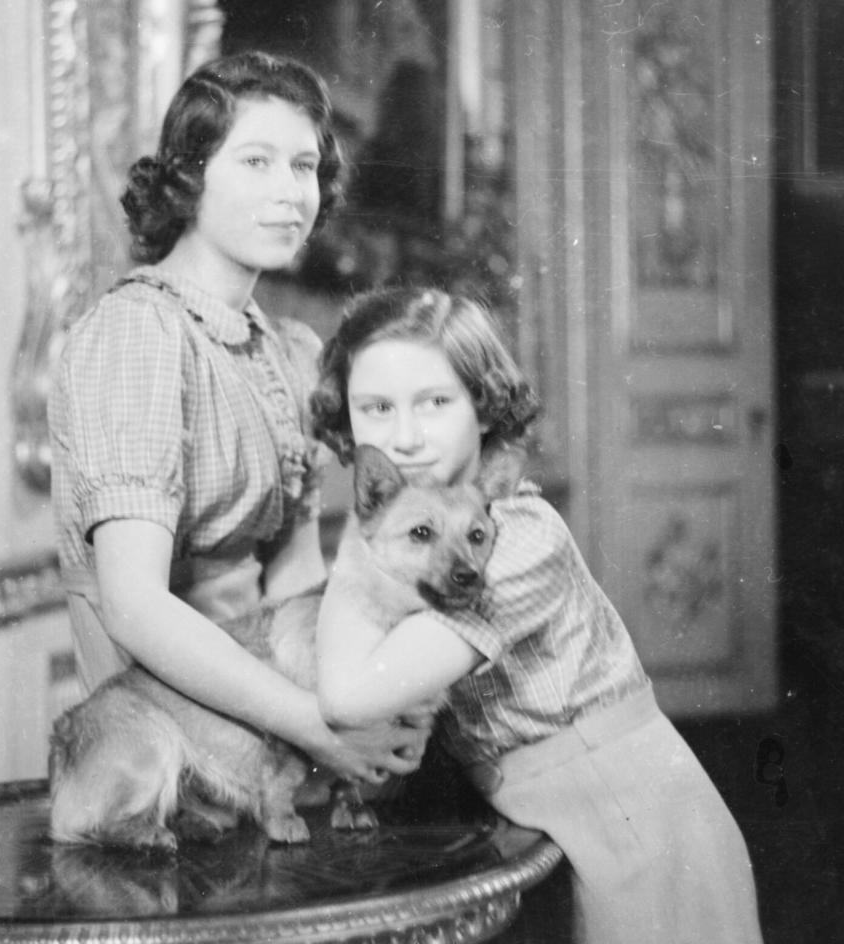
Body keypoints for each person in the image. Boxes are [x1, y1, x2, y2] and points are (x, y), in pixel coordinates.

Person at [310, 286, 764, 944]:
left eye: (434, 403)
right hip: (555, 818)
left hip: (640, 821)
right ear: (347, 422)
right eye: (376, 408)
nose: (403, 436)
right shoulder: (411, 524)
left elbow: (348, 697)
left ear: (484, 409)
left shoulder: (516, 535)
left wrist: (364, 538)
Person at [47, 51, 427, 793]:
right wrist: (314, 726)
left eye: (304, 166)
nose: (291, 193)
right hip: (171, 753)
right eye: (257, 161)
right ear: (189, 176)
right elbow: (134, 607)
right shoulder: (136, 335)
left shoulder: (288, 352)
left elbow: (299, 580)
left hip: (280, 743)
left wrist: (343, 717)